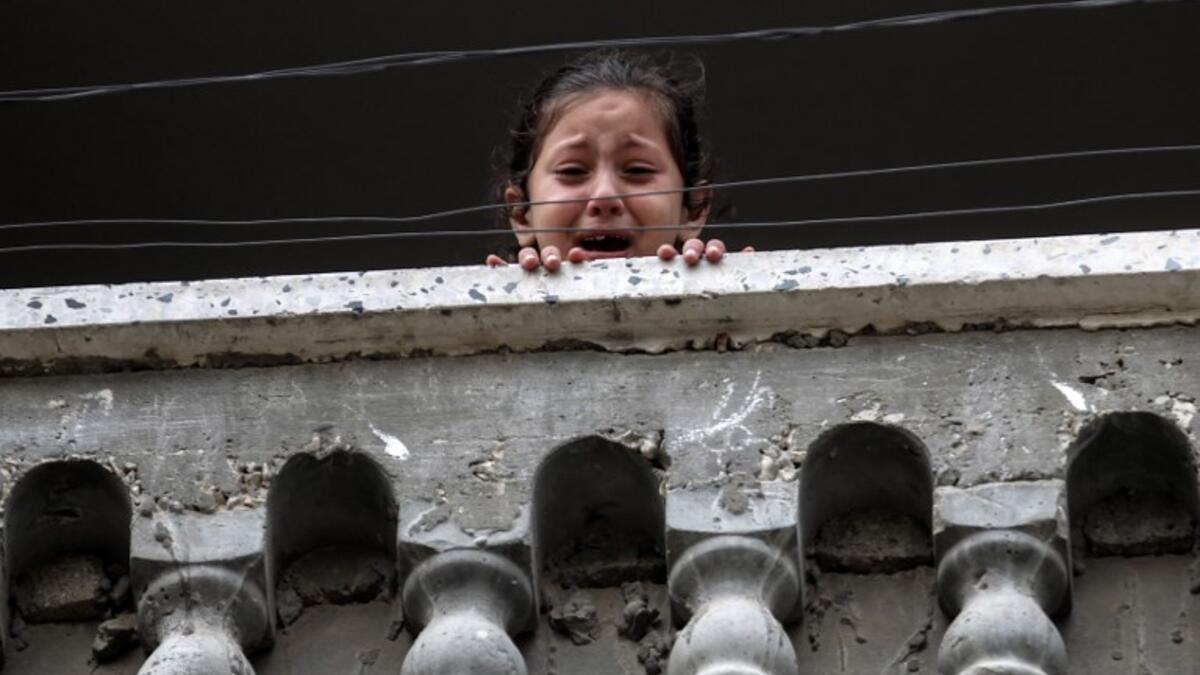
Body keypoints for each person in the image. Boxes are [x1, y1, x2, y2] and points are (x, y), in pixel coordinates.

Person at [485, 50, 750, 272]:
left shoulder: (723, 311)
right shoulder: (491, 325)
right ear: (520, 213)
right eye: (572, 171)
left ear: (693, 208)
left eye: (638, 169)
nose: (604, 198)